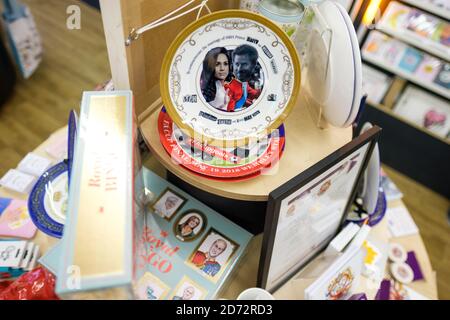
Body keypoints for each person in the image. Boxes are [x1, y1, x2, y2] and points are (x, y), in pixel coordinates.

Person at [225, 44, 261, 112]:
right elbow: (229, 107)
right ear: (233, 64)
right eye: (237, 64)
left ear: (253, 65)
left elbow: (254, 94)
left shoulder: (244, 84)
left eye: (244, 64)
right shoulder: (230, 87)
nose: (239, 69)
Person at [200, 47, 232, 111]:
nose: (222, 68)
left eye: (225, 64)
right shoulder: (207, 90)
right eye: (217, 64)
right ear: (210, 66)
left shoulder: (223, 84)